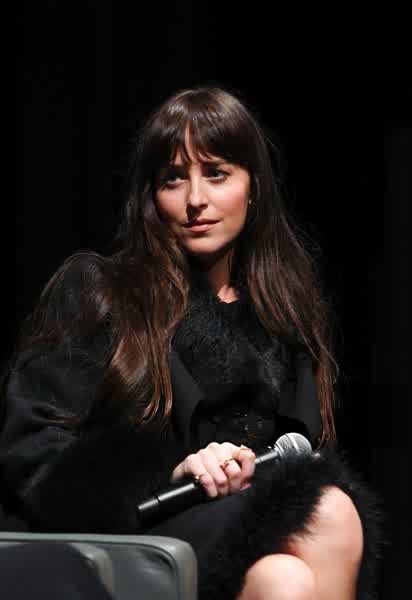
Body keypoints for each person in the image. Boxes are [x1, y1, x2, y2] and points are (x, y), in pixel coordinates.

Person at [1, 86, 382, 600]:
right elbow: (33, 456)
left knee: (288, 574)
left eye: (217, 174)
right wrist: (172, 468)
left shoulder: (284, 314)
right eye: (173, 179)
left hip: (243, 517)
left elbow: (301, 450)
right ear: (152, 196)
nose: (195, 199)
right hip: (141, 520)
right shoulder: (102, 292)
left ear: (253, 187)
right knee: (327, 513)